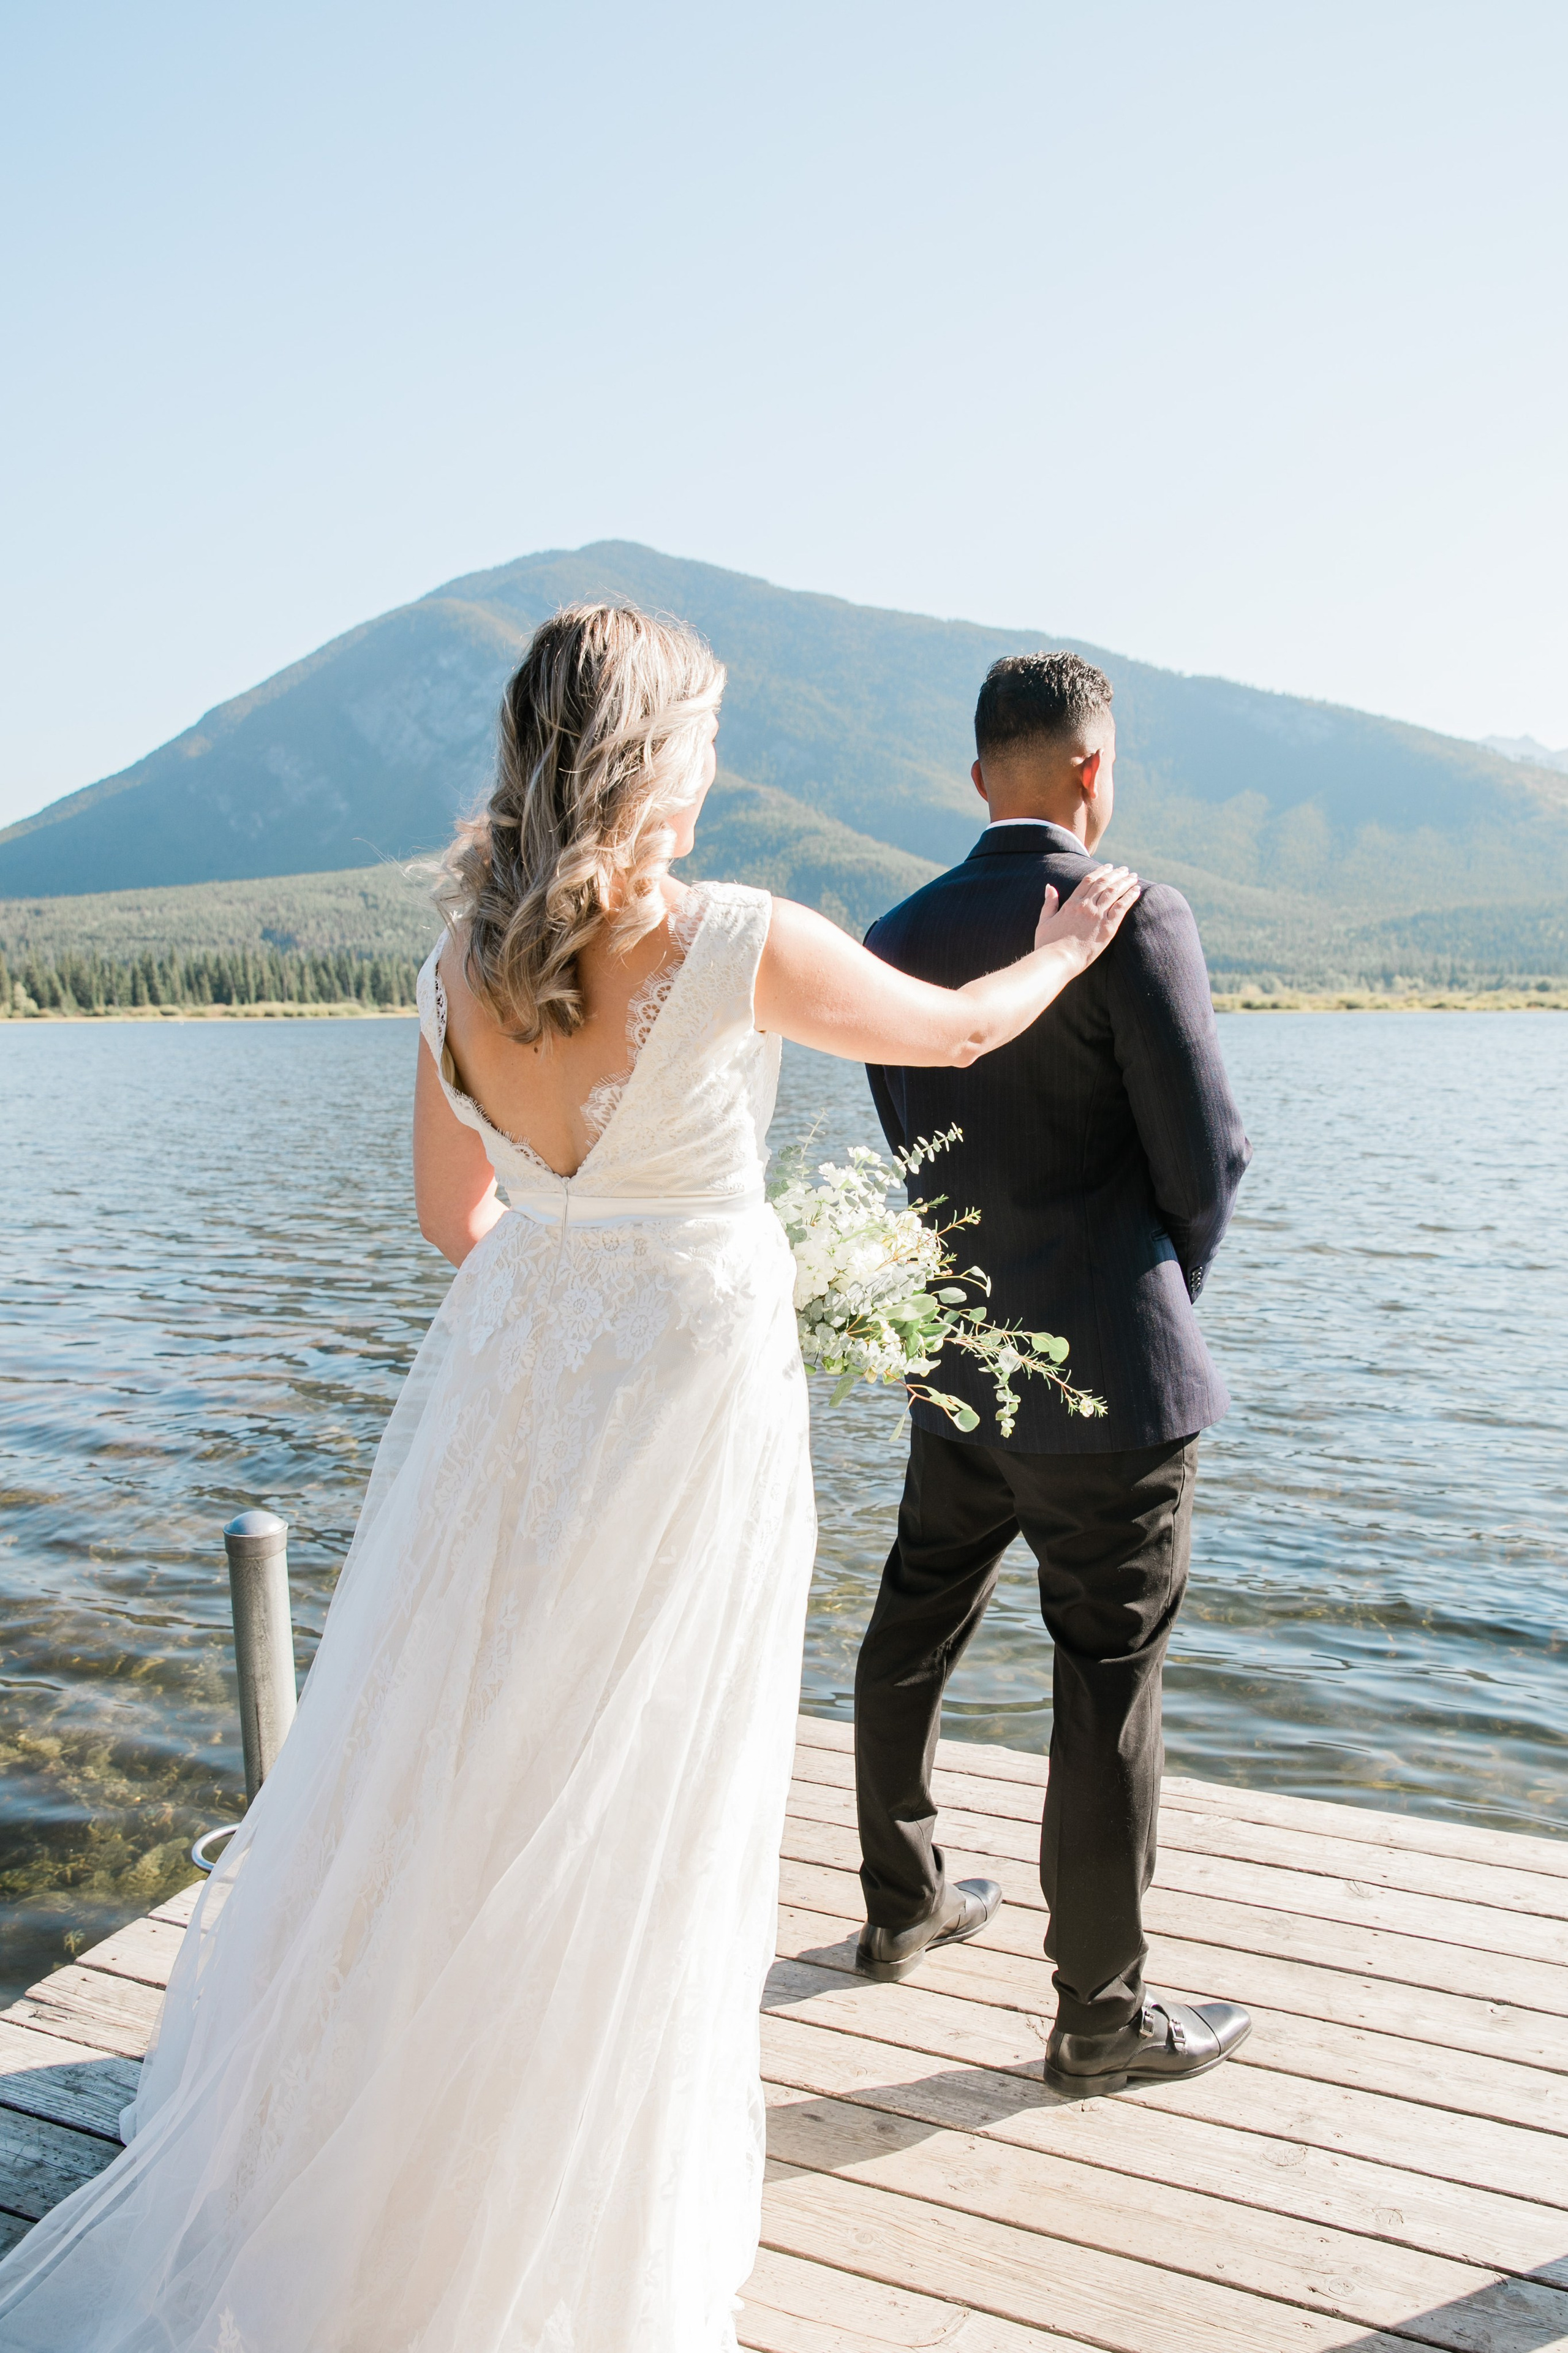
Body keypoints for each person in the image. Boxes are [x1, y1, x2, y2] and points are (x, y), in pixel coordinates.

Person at [0, 605, 1139, 2353]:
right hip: (683, 1419)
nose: (718, 764)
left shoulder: (462, 960)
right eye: (701, 735)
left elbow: (454, 1221)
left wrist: (581, 1262)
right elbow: (963, 1034)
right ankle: (565, 2214)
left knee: (464, 1758)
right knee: (646, 1772)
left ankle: (388, 2141)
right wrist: (1073, 942)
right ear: (645, 756)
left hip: (503, 1405)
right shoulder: (731, 933)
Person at [854, 648, 1254, 2096]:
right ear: (1094, 768)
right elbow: (1203, 1156)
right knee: (1102, 1678)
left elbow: (918, 1162)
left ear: (980, 780)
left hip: (954, 1361)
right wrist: (1150, 1301)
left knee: (913, 1617)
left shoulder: (890, 932)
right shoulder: (1131, 917)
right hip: (1111, 1377)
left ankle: (900, 1905)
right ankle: (1096, 2015)